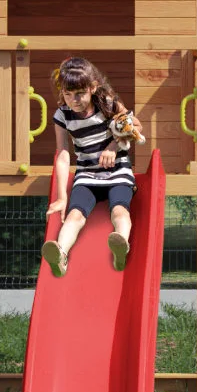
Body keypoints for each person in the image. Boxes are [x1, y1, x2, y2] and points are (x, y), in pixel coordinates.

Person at [40, 57, 143, 277]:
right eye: (68, 94)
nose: (74, 100)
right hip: (87, 174)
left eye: (80, 93)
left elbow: (135, 126)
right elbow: (63, 154)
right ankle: (61, 254)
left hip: (117, 171)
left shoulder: (107, 103)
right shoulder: (62, 115)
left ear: (93, 87)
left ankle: (121, 244)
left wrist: (113, 146)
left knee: (120, 210)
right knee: (74, 215)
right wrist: (61, 197)